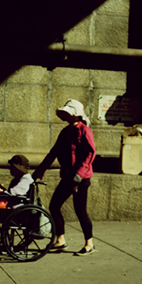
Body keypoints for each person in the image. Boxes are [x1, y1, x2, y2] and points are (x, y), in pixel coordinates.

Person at [33, 99, 96, 255]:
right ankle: (60, 240)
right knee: (54, 205)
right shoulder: (65, 131)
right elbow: (53, 152)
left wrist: (79, 174)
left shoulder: (84, 130)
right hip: (68, 176)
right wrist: (40, 170)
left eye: (68, 112)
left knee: (80, 210)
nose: (65, 115)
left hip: (80, 179)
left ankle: (90, 243)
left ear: (76, 114)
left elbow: (90, 153)